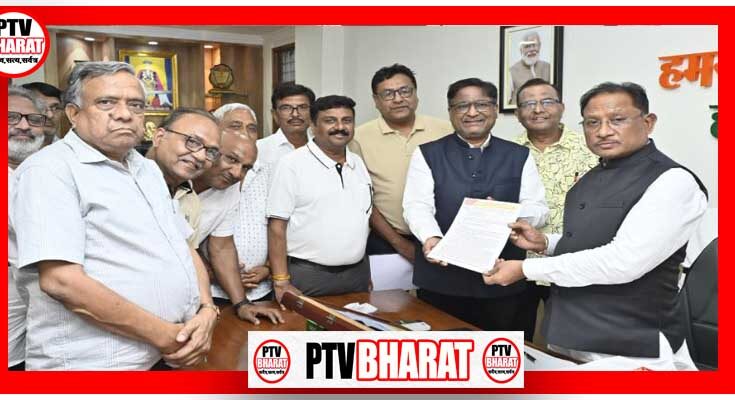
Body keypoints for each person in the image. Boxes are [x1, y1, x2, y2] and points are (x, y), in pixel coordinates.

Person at [484, 82, 708, 370]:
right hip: (570, 335)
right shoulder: (592, 175)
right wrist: (545, 242)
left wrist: (525, 269)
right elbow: (592, 239)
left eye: (617, 119)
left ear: (648, 122)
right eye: (592, 122)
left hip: (630, 345)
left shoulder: (673, 182)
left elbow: (623, 261)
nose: (603, 131)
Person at [10, 61, 218, 370]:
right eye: (106, 102)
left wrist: (207, 309)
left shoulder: (146, 169)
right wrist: (167, 336)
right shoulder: (49, 170)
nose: (124, 114)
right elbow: (61, 281)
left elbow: (182, 246)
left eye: (135, 105)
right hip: (97, 365)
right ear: (74, 114)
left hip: (163, 353)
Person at [403, 78, 548, 333]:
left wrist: (506, 213)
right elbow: (417, 205)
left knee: (500, 353)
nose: (472, 112)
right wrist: (431, 237)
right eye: (462, 106)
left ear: (495, 109)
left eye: (481, 104)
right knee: (443, 352)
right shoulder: (427, 153)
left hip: (502, 278)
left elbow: (538, 208)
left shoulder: (519, 155)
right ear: (450, 111)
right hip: (442, 280)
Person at [512, 78, 598, 341]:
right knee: (515, 338)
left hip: (573, 258)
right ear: (518, 113)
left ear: (562, 107)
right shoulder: (507, 153)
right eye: (529, 103)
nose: (538, 109)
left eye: (547, 101)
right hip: (518, 262)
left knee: (572, 341)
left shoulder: (593, 149)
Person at [267, 95, 372, 301]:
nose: (340, 127)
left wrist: (365, 273)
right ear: (313, 126)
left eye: (347, 120)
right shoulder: (292, 164)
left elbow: (362, 219)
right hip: (308, 276)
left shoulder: (357, 162)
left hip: (357, 274)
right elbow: (276, 227)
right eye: (330, 121)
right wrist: (280, 280)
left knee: (359, 322)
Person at [350, 63, 452, 266]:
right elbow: (362, 199)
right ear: (376, 101)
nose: (398, 99)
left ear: (416, 94)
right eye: (388, 94)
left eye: (405, 91)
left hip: (443, 238)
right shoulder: (358, 138)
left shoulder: (446, 130)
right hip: (387, 241)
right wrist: (399, 243)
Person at [190, 121, 284, 325]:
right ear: (211, 152)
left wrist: (242, 304)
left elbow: (222, 247)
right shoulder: (176, 179)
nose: (236, 173)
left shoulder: (230, 189)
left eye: (246, 168)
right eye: (231, 159)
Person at [212, 103, 274, 303]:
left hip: (261, 289)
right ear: (216, 129)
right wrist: (219, 273)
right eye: (235, 126)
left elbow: (280, 226)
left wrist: (269, 268)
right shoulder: (203, 172)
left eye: (251, 128)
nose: (244, 133)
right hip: (211, 290)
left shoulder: (270, 173)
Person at [7, 86, 47, 370]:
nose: (24, 126)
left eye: (34, 119)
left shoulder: (41, 172)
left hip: (31, 322)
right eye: (11, 117)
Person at [146, 107, 222, 247]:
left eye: (211, 151)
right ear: (159, 137)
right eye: (193, 142)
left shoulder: (191, 202)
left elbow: (186, 254)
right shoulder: (124, 183)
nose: (201, 156)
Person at [257, 82, 315, 166]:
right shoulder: (258, 149)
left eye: (302, 107)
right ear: (275, 114)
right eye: (286, 108)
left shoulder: (323, 148)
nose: (295, 114)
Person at [509, 31, 551, 105]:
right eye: (527, 46)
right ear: (521, 50)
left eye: (534, 45)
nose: (531, 49)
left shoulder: (548, 67)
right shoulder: (512, 71)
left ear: (539, 46)